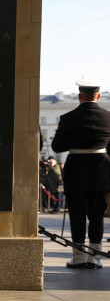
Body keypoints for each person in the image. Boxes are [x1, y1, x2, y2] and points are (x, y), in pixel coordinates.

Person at [51, 79, 110, 269]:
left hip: (76, 169)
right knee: (97, 214)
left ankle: (78, 257)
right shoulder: (108, 117)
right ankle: (95, 258)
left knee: (77, 214)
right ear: (98, 96)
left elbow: (57, 146)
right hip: (101, 169)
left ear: (79, 97)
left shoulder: (67, 118)